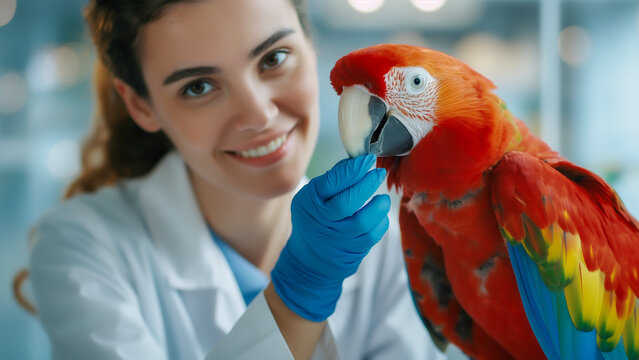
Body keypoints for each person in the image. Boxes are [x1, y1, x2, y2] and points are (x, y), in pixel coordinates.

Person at [21, 0, 449, 359]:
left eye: (273, 58)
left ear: (310, 42)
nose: (259, 115)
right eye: (199, 86)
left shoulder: (389, 243)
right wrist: (300, 291)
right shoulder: (80, 246)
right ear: (140, 104)